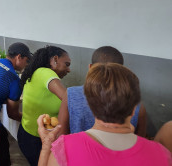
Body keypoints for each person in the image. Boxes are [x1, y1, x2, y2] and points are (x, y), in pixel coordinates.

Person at [37, 63, 172, 166]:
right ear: (134, 109)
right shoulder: (162, 154)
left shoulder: (64, 149)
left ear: (90, 105)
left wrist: (46, 146)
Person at [58, 46, 147, 137]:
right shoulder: (137, 105)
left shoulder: (71, 94)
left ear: (90, 67)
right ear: (121, 71)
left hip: (75, 150)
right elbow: (140, 142)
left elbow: (61, 135)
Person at [18, 46, 71, 166]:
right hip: (36, 140)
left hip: (29, 134)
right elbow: (69, 99)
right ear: (55, 60)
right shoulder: (45, 72)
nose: (69, 70)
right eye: (66, 64)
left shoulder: (37, 72)